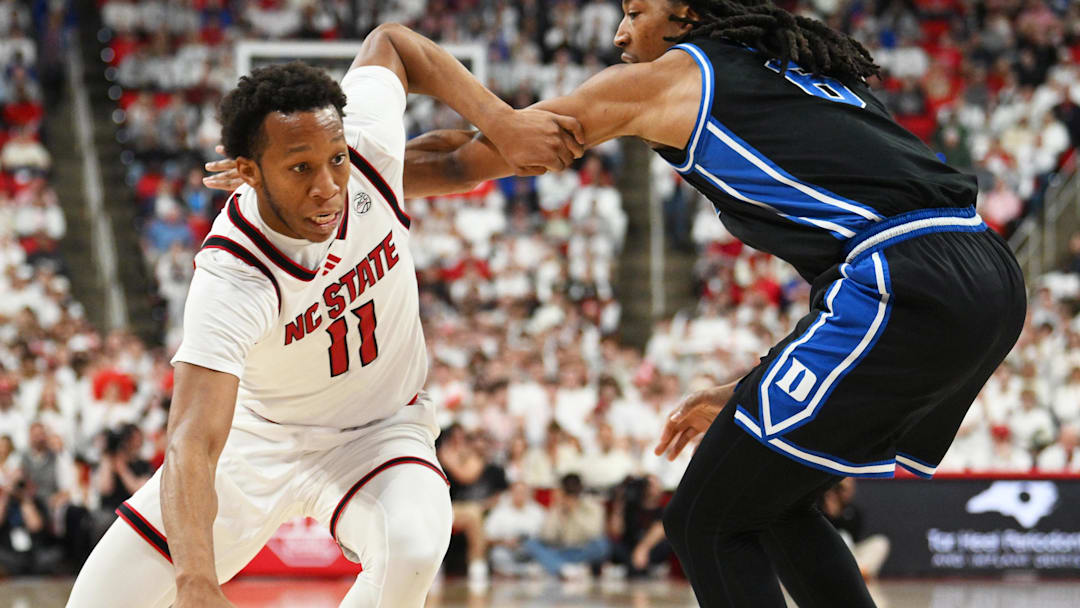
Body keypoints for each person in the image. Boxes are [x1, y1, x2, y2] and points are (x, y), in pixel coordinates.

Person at [386, 1, 1030, 605]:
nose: (618, 34)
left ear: (686, 16)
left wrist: (351, 172)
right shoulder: (794, 72)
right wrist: (751, 384)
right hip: (981, 271)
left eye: (636, 13)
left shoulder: (680, 74)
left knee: (705, 523)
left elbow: (468, 159)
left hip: (903, 274)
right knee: (772, 505)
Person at [67, 23, 583, 608]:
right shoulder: (232, 274)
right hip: (260, 442)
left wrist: (504, 121)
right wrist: (195, 581)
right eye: (299, 168)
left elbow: (393, 43)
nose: (328, 186)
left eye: (335, 159)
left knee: (413, 548)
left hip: (381, 432)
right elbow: (192, 441)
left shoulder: (365, 151)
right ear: (248, 171)